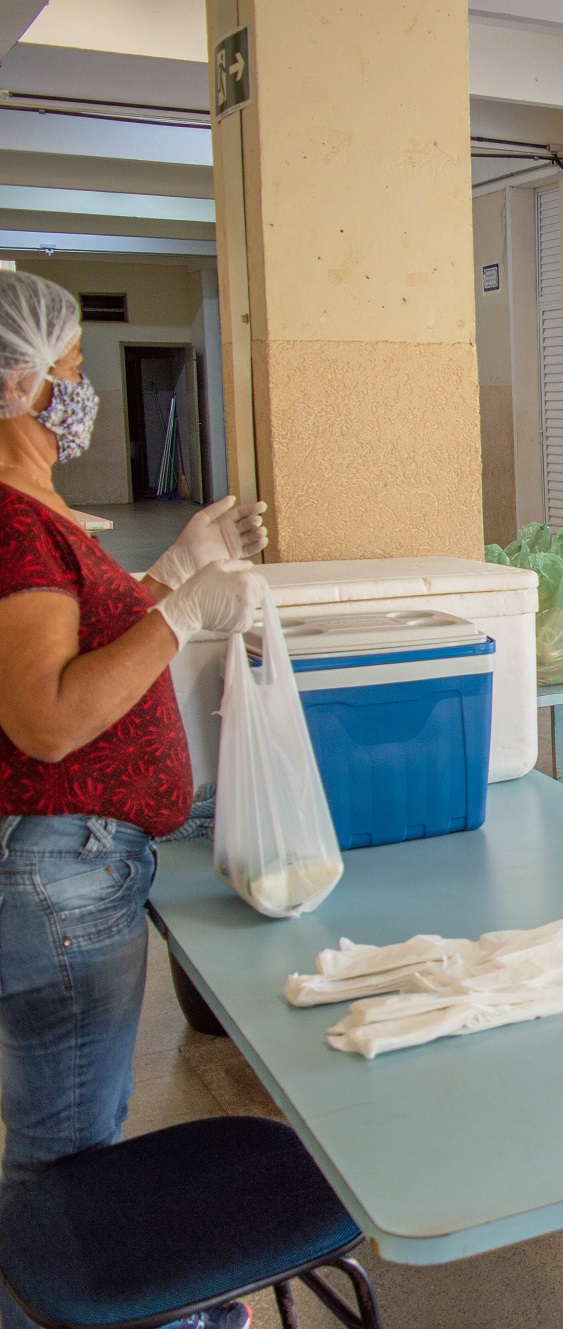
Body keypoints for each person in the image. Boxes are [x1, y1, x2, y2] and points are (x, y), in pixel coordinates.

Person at [0, 272, 267, 1329]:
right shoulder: (15, 526)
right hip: (59, 863)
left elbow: (81, 640)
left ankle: (118, 1309)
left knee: (74, 1126)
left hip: (78, 858)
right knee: (62, 1153)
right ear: (15, 380)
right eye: (67, 374)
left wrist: (174, 568)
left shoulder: (37, 511)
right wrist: (184, 616)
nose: (80, 391)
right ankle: (86, 1313)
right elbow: (50, 720)